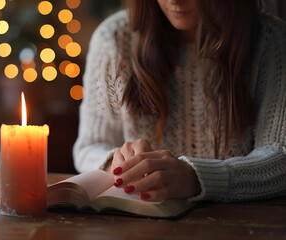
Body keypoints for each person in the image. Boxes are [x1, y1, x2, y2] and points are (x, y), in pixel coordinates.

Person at [73, 0, 286, 202]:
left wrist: (196, 178)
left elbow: (280, 157)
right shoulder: (114, 38)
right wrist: (118, 165)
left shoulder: (271, 42)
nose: (174, 0)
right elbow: (89, 147)